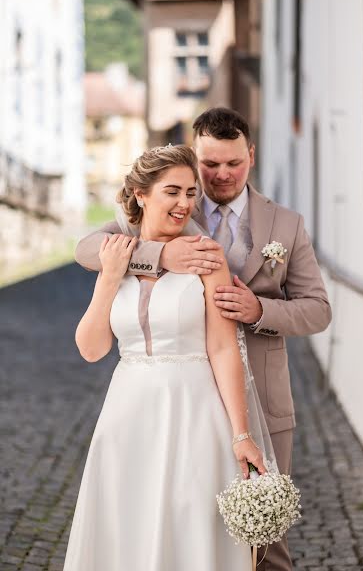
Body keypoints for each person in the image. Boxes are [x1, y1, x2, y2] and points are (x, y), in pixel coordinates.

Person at [75, 108, 332, 570]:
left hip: (241, 402)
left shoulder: (284, 225)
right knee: (133, 525)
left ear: (250, 157)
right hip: (136, 409)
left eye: (233, 163)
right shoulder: (150, 225)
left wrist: (258, 309)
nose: (220, 176)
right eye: (208, 165)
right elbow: (86, 250)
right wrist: (160, 255)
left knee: (262, 543)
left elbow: (316, 309)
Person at [63, 145, 265, 571]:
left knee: (188, 524)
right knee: (126, 525)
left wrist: (241, 434)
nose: (184, 204)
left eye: (191, 193)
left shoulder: (206, 258)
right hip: (127, 412)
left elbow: (223, 348)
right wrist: (110, 278)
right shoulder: (116, 252)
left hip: (194, 410)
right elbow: (92, 348)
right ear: (140, 194)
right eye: (172, 191)